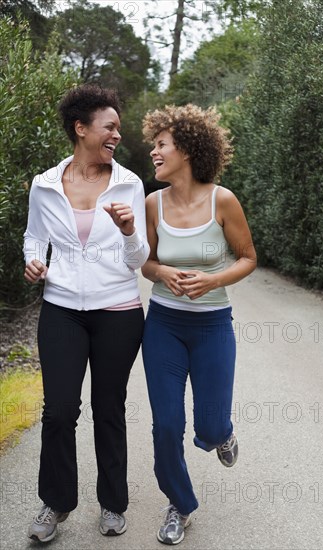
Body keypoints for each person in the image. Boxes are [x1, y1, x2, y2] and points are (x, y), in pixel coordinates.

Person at [24, 83, 149, 543]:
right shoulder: (44, 184)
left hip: (118, 310)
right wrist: (33, 261)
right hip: (61, 310)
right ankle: (55, 504)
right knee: (58, 411)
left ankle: (113, 503)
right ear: (81, 128)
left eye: (119, 127)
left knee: (108, 407)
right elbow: (34, 237)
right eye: (109, 126)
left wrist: (130, 229)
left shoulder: (129, 184)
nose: (118, 134)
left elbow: (139, 260)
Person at [141, 104, 257, 545]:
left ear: (186, 150)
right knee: (166, 423)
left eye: (161, 144)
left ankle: (221, 434)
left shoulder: (222, 200)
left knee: (208, 427)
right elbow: (147, 263)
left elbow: (248, 257)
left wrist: (213, 279)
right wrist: (162, 273)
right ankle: (180, 505)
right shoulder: (153, 204)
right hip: (164, 326)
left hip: (213, 327)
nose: (154, 152)